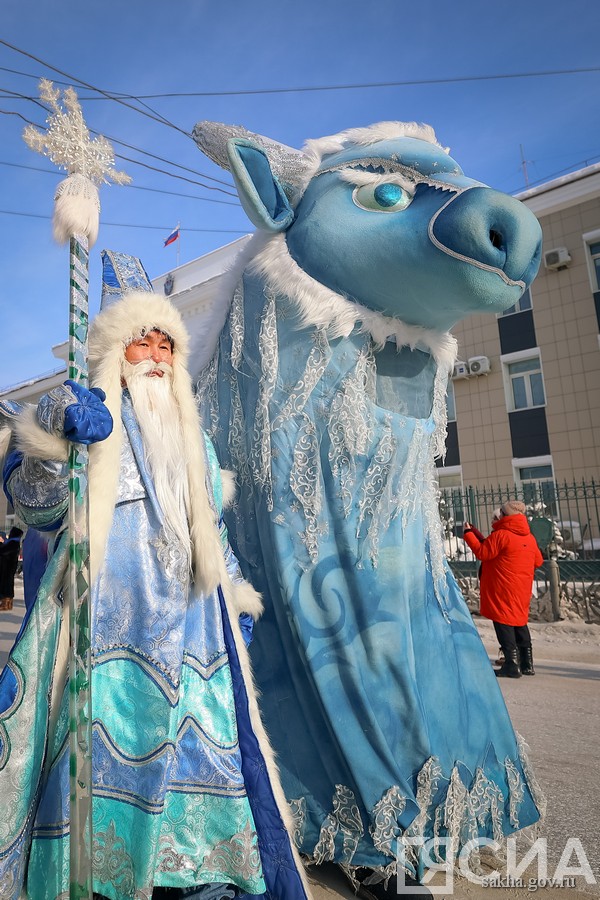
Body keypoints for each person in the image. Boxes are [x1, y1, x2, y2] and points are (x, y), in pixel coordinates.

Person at [0, 281, 309, 900]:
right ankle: (98, 879)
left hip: (197, 637)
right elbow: (35, 508)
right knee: (103, 753)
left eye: (167, 342)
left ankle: (202, 876)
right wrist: (54, 444)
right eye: (143, 341)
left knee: (209, 755)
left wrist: (237, 595)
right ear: (117, 353)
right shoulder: (86, 420)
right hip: (108, 631)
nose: (158, 354)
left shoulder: (194, 441)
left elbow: (212, 534)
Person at [463, 500, 544, 678]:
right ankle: (527, 664)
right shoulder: (529, 538)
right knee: (519, 622)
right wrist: (476, 532)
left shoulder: (502, 535)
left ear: (506, 516)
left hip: (502, 587)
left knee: (503, 623)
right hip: (521, 588)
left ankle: (511, 664)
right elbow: (538, 561)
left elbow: (483, 552)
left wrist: (468, 534)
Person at [0, 525, 23, 610]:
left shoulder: (13, 543)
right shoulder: (13, 542)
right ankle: (7, 604)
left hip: (8, 567)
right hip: (8, 567)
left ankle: (6, 604)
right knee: (7, 585)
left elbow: (4, 551)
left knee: (6, 585)